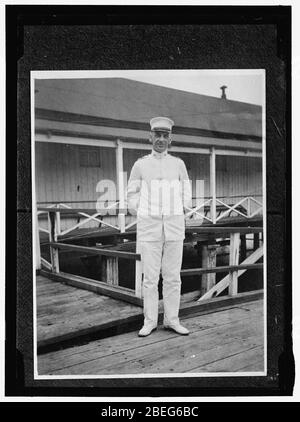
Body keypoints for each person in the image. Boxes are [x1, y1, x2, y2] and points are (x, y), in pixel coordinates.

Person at [126, 117, 192, 337]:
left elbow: (187, 190)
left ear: (170, 139)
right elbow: (131, 194)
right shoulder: (141, 164)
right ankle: (150, 321)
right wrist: (142, 212)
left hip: (174, 227)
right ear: (150, 137)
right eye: (157, 135)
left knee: (173, 276)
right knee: (150, 278)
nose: (161, 139)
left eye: (165, 136)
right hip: (149, 228)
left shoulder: (178, 164)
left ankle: (172, 320)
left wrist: (182, 208)